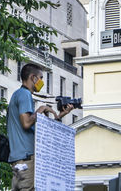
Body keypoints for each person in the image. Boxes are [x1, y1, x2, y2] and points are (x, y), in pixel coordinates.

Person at [7, 63, 74, 191]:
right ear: (33, 78)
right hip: (27, 159)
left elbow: (38, 129)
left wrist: (60, 115)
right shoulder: (24, 94)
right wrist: (41, 109)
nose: (42, 81)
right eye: (41, 78)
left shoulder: (17, 95)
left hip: (18, 160)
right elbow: (26, 123)